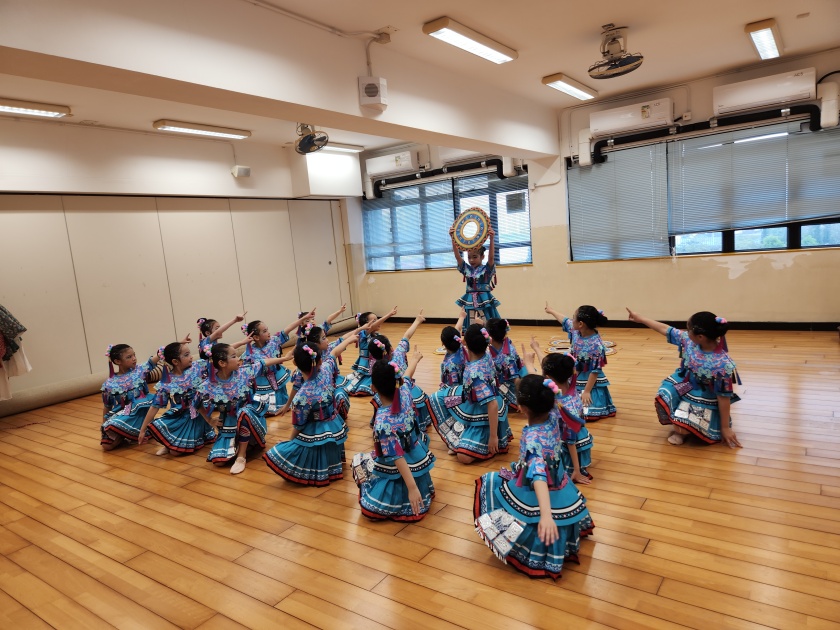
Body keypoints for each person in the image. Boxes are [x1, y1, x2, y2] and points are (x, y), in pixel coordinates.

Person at [473, 374, 594, 580]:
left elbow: (538, 476)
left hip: (538, 484)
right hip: (558, 478)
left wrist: (546, 515)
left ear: (522, 408)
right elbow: (543, 392)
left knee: (490, 482)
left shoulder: (532, 438)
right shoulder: (555, 412)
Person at [626, 308, 742, 448]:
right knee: (665, 394)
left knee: (682, 429)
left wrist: (725, 428)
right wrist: (641, 319)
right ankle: (682, 421)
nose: (686, 332)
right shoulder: (690, 340)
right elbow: (666, 329)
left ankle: (686, 425)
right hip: (688, 383)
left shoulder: (722, 364)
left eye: (689, 329)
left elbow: (723, 397)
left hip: (705, 396)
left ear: (700, 337)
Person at [263, 334, 358, 486]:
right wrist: (350, 339)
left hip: (317, 433)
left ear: (295, 363)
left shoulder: (302, 396)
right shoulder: (326, 370)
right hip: (335, 426)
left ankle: (318, 468)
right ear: (319, 361)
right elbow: (334, 352)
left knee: (277, 453)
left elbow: (298, 426)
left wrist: (290, 442)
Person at [355, 353, 436, 521]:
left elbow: (397, 457)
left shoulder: (382, 422)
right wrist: (415, 359)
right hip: (415, 454)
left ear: (373, 388)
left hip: (400, 464)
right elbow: (408, 375)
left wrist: (412, 488)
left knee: (359, 466)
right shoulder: (405, 391)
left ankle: (404, 493)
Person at [197, 343, 294, 474]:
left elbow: (263, 362)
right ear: (222, 363)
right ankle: (243, 444)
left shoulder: (244, 372)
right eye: (233, 356)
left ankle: (241, 456)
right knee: (219, 462)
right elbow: (196, 402)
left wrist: (284, 358)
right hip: (229, 424)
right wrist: (209, 420)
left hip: (251, 416)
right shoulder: (209, 384)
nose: (238, 359)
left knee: (243, 412)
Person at [428, 324, 512, 464]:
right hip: (474, 399)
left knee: (464, 457)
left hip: (485, 408)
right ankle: (462, 432)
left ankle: (484, 435)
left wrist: (493, 437)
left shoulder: (475, 374)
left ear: (465, 342)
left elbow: (492, 404)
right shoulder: (485, 354)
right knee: (437, 398)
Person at [136, 341, 216, 456]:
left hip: (197, 415)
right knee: (158, 425)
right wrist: (143, 430)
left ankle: (174, 444)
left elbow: (216, 362)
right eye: (186, 355)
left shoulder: (198, 367)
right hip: (178, 416)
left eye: (189, 353)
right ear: (175, 361)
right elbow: (155, 406)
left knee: (175, 453)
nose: (191, 357)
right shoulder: (167, 382)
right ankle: (170, 444)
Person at [545, 303, 616, 421]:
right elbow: (564, 320)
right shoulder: (576, 331)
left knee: (586, 409)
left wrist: (587, 391)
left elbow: (595, 371)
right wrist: (551, 311)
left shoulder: (596, 345)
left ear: (581, 324)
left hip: (589, 378)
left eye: (574, 318)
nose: (571, 320)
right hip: (575, 373)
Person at [367, 311, 431, 434]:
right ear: (391, 348)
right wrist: (417, 320)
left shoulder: (376, 368)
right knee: (416, 396)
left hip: (386, 395)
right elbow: (407, 335)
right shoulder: (399, 353)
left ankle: (378, 418)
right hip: (407, 390)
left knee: (377, 398)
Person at [241, 310, 315, 415]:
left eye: (267, 329)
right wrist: (284, 358)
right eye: (265, 331)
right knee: (265, 398)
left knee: (280, 392)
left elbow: (287, 329)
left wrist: (303, 318)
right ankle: (266, 408)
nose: (268, 332)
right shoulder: (250, 353)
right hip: (262, 379)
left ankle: (282, 405)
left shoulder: (273, 341)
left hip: (276, 374)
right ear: (256, 337)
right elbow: (258, 366)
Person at [541, 353, 594, 483]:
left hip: (567, 439)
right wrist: (536, 349)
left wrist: (576, 470)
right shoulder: (570, 381)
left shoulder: (564, 407)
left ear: (548, 377)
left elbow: (570, 441)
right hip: (576, 431)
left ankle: (573, 467)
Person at [100, 343, 162, 450]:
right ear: (117, 361)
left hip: (140, 413)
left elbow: (156, 357)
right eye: (129, 357)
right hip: (125, 414)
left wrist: (179, 344)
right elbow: (107, 406)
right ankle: (125, 435)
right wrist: (104, 426)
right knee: (106, 446)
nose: (134, 359)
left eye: (134, 355)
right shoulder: (109, 384)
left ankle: (141, 430)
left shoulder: (139, 371)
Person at [450, 224, 500, 334]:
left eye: (475, 257)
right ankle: (472, 338)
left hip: (484, 299)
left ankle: (488, 338)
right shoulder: (467, 269)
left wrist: (492, 238)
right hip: (469, 300)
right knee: (470, 322)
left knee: (486, 322)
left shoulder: (486, 269)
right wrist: (453, 239)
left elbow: (491, 257)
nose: (471, 260)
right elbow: (457, 257)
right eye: (469, 257)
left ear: (482, 257)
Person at [343, 307, 398, 396]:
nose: (378, 322)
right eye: (374, 321)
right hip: (367, 366)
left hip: (377, 365)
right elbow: (371, 327)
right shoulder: (363, 335)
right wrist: (389, 314)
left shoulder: (378, 335)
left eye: (377, 319)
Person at [485, 318, 528, 412]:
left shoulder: (506, 358)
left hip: (510, 388)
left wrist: (521, 401)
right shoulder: (505, 342)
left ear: (490, 336)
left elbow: (516, 380)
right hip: (505, 378)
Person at [439, 308, 468, 388]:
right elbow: (458, 328)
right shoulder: (460, 346)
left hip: (457, 390)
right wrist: (461, 317)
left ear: (443, 343)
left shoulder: (450, 366)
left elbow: (454, 387)